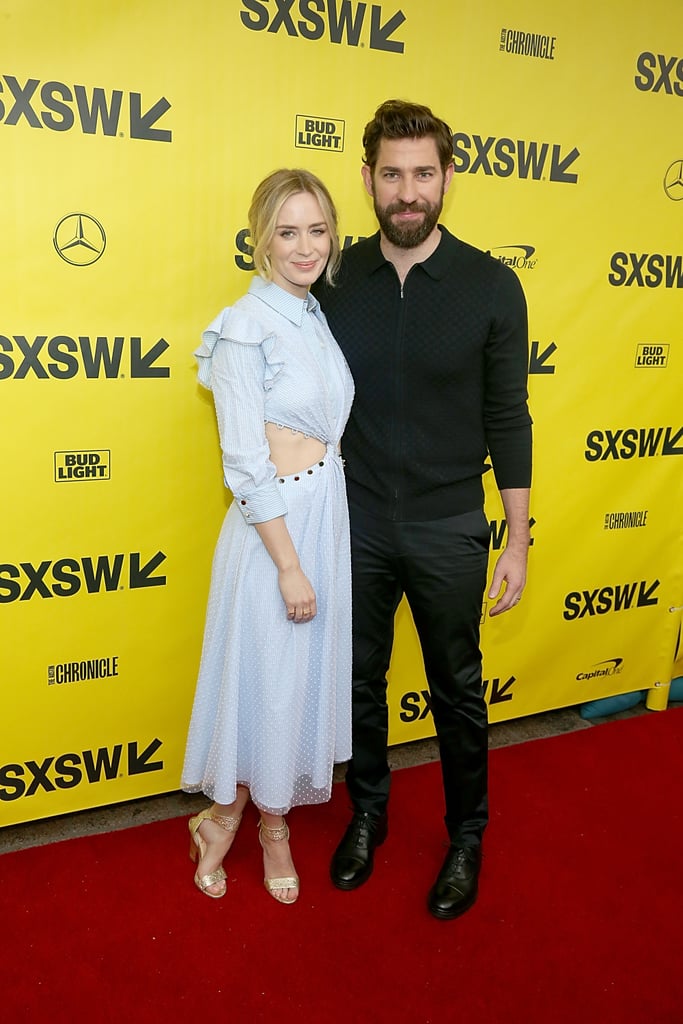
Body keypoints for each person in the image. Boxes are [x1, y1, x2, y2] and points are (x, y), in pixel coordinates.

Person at [313, 99, 532, 920]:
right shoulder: (335, 280)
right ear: (368, 179)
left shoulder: (489, 285)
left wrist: (516, 536)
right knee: (359, 682)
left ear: (447, 178)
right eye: (393, 175)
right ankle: (366, 813)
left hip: (448, 524)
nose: (408, 192)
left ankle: (466, 835)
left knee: (457, 689)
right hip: (355, 520)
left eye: (424, 174)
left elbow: (507, 415)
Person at [181, 169, 354, 905]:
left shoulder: (312, 316)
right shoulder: (242, 326)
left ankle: (273, 823)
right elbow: (245, 462)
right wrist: (288, 566)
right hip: (272, 535)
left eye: (317, 230)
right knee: (265, 683)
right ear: (260, 239)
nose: (304, 246)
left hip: (323, 523)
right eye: (287, 231)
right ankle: (224, 817)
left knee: (295, 685)